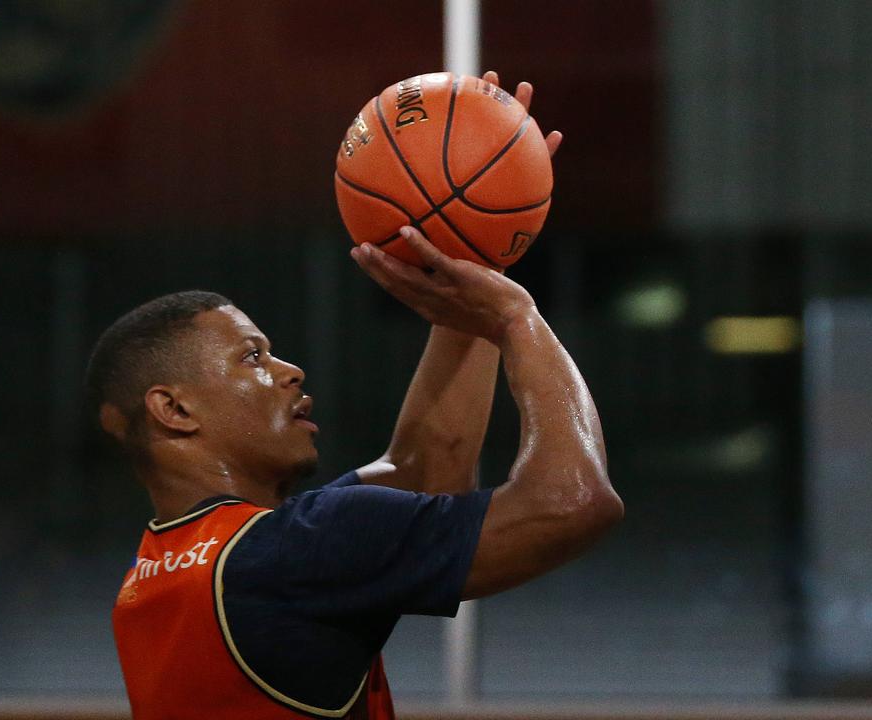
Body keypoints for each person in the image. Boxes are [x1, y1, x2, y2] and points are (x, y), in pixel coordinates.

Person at [87, 75, 622, 720]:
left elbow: (426, 471)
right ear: (174, 410)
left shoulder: (164, 571)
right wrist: (518, 320)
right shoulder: (294, 554)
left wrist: (475, 258)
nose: (289, 371)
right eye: (252, 358)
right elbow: (574, 503)